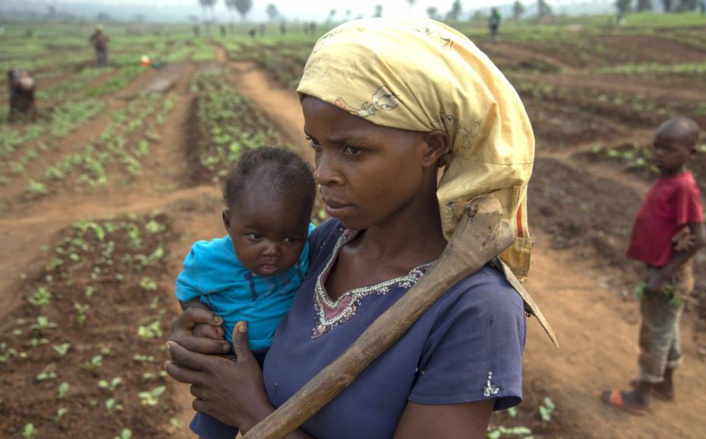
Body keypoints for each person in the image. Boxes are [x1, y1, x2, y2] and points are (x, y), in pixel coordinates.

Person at [166, 17, 547, 438]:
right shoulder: (328, 243)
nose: (323, 173)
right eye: (316, 144)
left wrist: (251, 411)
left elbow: (250, 405)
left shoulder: (475, 309)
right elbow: (253, 308)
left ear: (431, 146)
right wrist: (204, 327)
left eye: (352, 149)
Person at [175, 147, 316, 438]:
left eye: (290, 238)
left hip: (286, 355)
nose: (272, 251)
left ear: (305, 229)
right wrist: (200, 317)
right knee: (215, 423)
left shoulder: (314, 242)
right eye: (255, 236)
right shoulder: (208, 260)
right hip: (231, 359)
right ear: (228, 223)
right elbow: (186, 290)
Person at [601, 117, 706, 415]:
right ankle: (665, 384)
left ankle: (642, 394)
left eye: (669, 149)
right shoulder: (668, 178)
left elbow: (699, 237)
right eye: (657, 147)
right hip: (662, 270)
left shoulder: (683, 186)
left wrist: (662, 274)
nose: (659, 154)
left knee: (654, 334)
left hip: (667, 275)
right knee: (666, 329)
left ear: (691, 153)